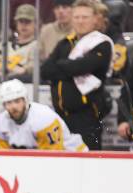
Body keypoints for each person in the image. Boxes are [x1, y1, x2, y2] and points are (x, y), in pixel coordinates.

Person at [41, 0, 113, 150]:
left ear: (95, 19)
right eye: (77, 17)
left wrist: (61, 66)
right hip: (60, 115)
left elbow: (83, 66)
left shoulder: (102, 43)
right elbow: (45, 70)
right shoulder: (65, 43)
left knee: (89, 160)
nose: (80, 21)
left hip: (86, 115)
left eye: (85, 17)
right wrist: (70, 68)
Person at [0, 79, 87, 151]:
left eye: (17, 101)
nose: (13, 107)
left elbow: (52, 156)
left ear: (25, 100)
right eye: (8, 103)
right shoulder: (0, 123)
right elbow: (5, 156)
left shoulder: (43, 118)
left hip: (73, 156)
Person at [0, 4, 37, 83]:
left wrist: (21, 70)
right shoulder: (3, 45)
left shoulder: (36, 45)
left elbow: (32, 68)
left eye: (27, 22)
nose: (23, 25)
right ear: (16, 23)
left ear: (35, 23)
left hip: (21, 83)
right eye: (21, 21)